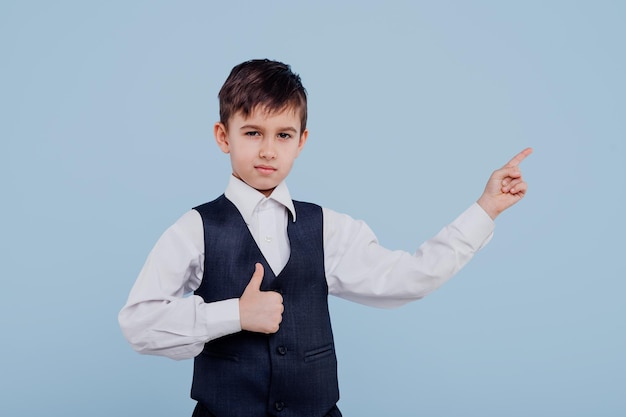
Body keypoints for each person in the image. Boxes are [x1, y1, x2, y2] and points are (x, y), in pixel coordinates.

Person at [118, 59, 532, 417]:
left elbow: (409, 278)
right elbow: (139, 323)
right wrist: (234, 315)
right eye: (252, 133)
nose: (267, 150)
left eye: (283, 135)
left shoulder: (328, 227)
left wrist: (486, 209)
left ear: (302, 142)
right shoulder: (195, 229)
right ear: (223, 136)